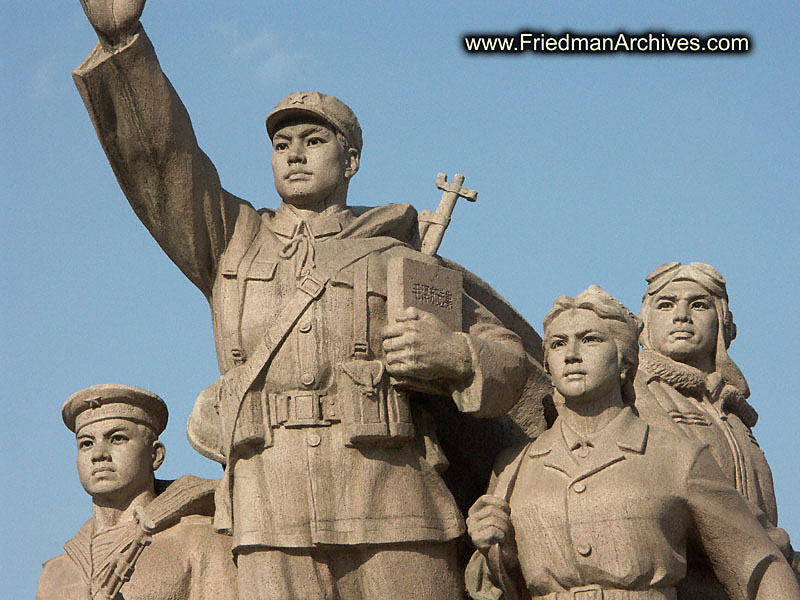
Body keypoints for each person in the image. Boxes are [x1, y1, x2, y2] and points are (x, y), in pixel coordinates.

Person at [72, 2, 534, 598]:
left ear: (351, 160)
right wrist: (123, 43)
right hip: (270, 516)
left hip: (395, 507)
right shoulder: (232, 242)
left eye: (313, 140)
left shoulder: (403, 260)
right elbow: (163, 164)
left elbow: (509, 359)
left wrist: (456, 355)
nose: (293, 153)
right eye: (281, 143)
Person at [465, 286, 800, 600]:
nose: (571, 355)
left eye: (590, 340)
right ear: (549, 367)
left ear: (625, 360)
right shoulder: (515, 466)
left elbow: (759, 566)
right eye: (557, 344)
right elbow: (497, 588)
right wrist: (500, 553)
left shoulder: (678, 456)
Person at [634, 261, 798, 598]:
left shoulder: (731, 409)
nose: (682, 315)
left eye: (698, 304)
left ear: (723, 323)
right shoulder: (637, 395)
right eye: (666, 304)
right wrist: (767, 539)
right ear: (644, 324)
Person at [36, 384, 237, 600]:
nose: (98, 454)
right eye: (86, 443)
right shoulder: (55, 575)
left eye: (117, 438)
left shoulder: (200, 542)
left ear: (155, 455)